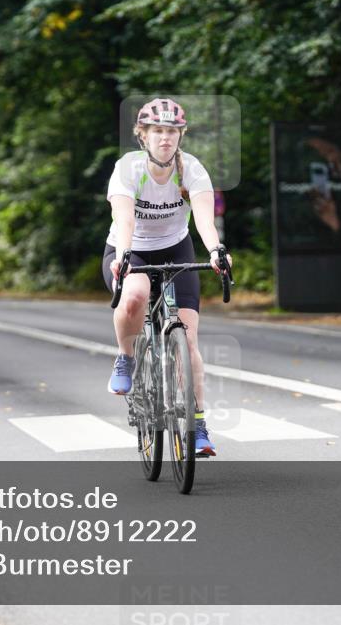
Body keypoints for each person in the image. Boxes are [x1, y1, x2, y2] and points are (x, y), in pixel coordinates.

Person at [102, 98, 232, 457]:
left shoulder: (191, 169)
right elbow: (124, 218)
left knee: (188, 342)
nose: (165, 138)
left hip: (176, 249)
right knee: (135, 296)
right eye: (157, 131)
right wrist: (125, 257)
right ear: (142, 136)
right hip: (131, 249)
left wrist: (216, 251)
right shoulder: (128, 168)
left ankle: (199, 427)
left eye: (172, 131)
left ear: (180, 135)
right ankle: (126, 356)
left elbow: (205, 219)